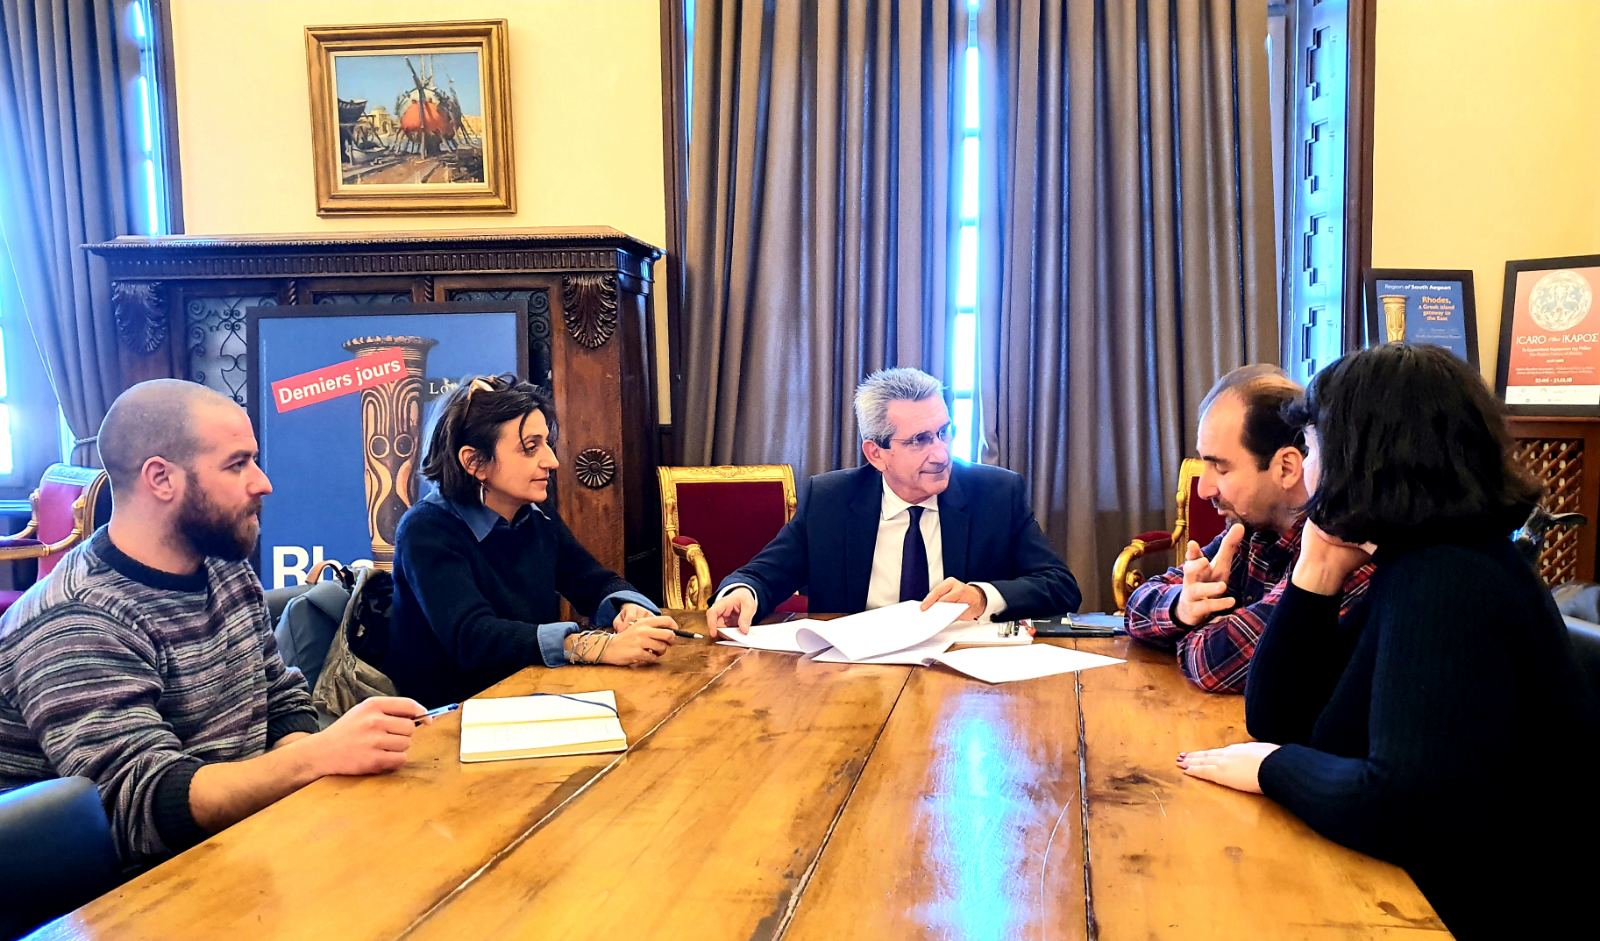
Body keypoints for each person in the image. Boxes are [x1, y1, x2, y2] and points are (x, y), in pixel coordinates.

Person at [1177, 344, 1600, 937]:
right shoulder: (1420, 559)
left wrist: (1272, 768)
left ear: (1362, 455)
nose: (1308, 467)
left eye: (1314, 446)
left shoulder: (1448, 579)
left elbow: (1403, 808)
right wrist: (1315, 571)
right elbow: (1279, 719)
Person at [0, 379, 426, 866]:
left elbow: (279, 698)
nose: (262, 482)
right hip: (126, 890)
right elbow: (144, 807)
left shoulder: (222, 566)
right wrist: (316, 758)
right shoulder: (75, 619)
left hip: (246, 843)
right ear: (161, 479)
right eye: (237, 464)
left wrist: (313, 775)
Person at [707, 367, 1079, 635]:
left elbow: (1061, 586)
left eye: (944, 432)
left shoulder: (996, 493)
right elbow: (761, 575)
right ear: (876, 454)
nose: (941, 454)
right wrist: (742, 593)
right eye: (920, 440)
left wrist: (982, 597)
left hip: (962, 672)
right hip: (854, 675)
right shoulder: (831, 501)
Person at [387, 375, 680, 708]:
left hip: (529, 692)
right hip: (451, 714)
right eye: (530, 448)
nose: (552, 461)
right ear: (474, 462)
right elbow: (473, 638)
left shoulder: (534, 513)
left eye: (546, 443)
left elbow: (592, 582)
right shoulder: (426, 529)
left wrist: (627, 609)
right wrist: (591, 646)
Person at [1125, 365, 1373, 692]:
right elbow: (1137, 606)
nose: (1204, 489)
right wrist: (1182, 607)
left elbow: (1212, 663)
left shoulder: (1342, 551)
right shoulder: (1249, 533)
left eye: (1221, 468)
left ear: (1286, 468)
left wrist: (1194, 629)